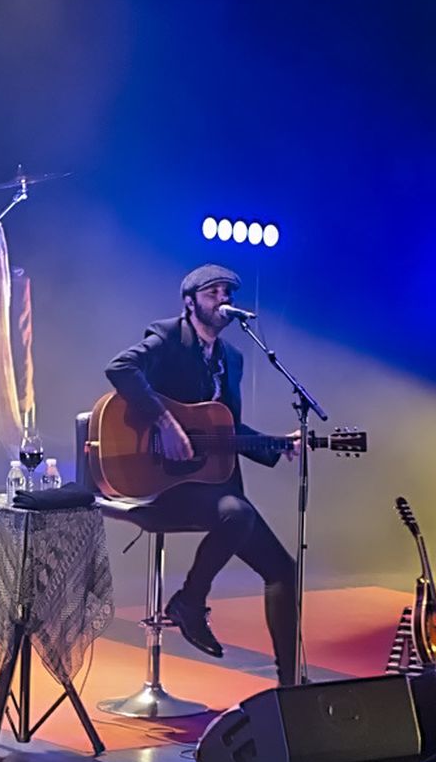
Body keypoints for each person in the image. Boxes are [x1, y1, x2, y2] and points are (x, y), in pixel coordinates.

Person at [104, 264, 299, 686]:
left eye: (227, 292)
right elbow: (120, 369)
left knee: (284, 570)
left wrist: (276, 444)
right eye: (213, 293)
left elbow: (222, 431)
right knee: (238, 514)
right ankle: (190, 603)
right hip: (157, 482)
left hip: (210, 487)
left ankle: (291, 685)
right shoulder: (168, 335)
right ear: (189, 302)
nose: (223, 299)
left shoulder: (233, 358)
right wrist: (164, 423)